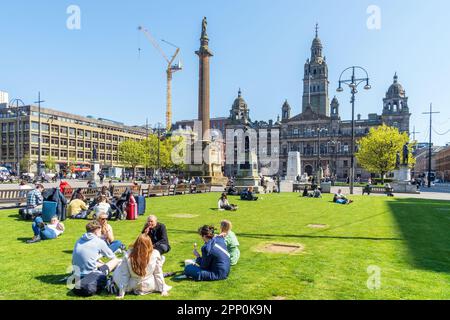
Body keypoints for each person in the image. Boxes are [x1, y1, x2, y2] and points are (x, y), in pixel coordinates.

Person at [111, 234, 172, 298]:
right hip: (149, 285)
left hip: (132, 285)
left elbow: (125, 275)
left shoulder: (128, 255)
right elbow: (158, 273)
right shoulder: (155, 254)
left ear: (137, 243)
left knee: (118, 270)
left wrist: (122, 293)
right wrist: (163, 289)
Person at [71, 221, 121, 297]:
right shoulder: (99, 241)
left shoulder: (79, 240)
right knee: (117, 260)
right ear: (97, 230)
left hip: (76, 275)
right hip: (91, 276)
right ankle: (118, 278)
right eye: (100, 231)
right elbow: (112, 257)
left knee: (99, 263)